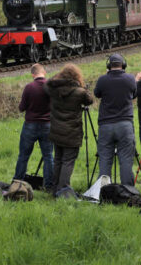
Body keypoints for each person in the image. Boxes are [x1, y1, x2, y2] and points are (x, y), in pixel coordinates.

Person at [45, 64, 93, 193]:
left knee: (58, 160)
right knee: (68, 161)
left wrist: (58, 78)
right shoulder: (80, 92)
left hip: (56, 131)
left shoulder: (54, 90)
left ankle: (55, 187)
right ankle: (63, 188)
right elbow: (90, 100)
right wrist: (82, 86)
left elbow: (48, 83)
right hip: (72, 132)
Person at [95, 53, 137, 186]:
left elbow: (97, 94)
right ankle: (128, 190)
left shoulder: (103, 80)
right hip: (125, 124)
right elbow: (134, 94)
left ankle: (103, 190)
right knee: (125, 159)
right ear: (123, 65)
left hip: (106, 125)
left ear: (109, 65)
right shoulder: (130, 79)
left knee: (105, 159)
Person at [13, 64, 53, 189]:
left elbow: (21, 108)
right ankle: (48, 185)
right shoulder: (50, 87)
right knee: (48, 156)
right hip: (47, 125)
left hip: (30, 125)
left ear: (32, 74)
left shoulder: (29, 87)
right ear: (44, 72)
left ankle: (17, 183)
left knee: (23, 156)